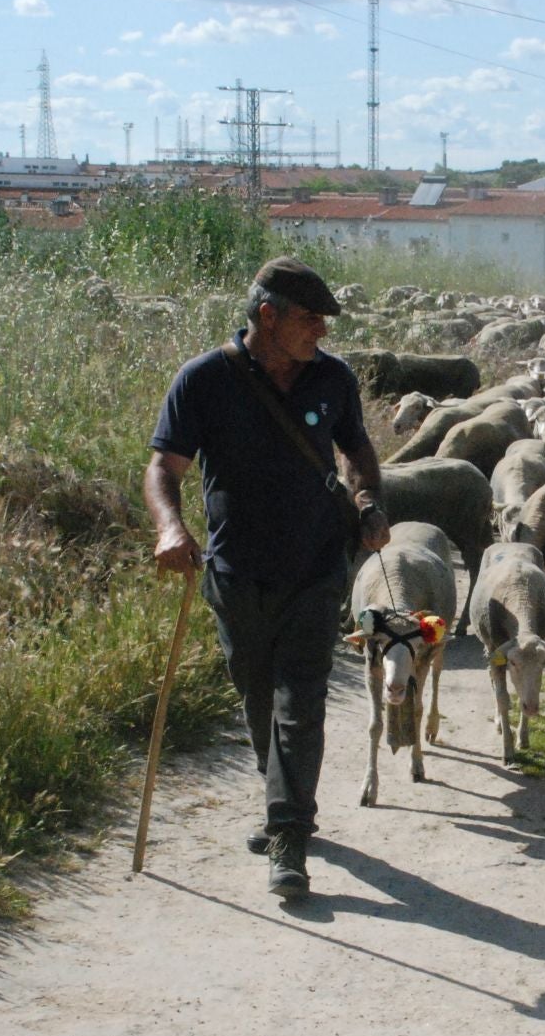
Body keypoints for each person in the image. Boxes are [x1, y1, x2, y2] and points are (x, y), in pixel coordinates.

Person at [146, 256, 391, 901]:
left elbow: (357, 447)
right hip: (234, 572)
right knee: (257, 697)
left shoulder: (332, 379)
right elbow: (164, 469)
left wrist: (367, 501)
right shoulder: (203, 380)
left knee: (300, 702)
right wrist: (170, 528)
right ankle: (281, 792)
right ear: (267, 316)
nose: (322, 333)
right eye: (310, 320)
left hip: (315, 569)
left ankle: (289, 834)